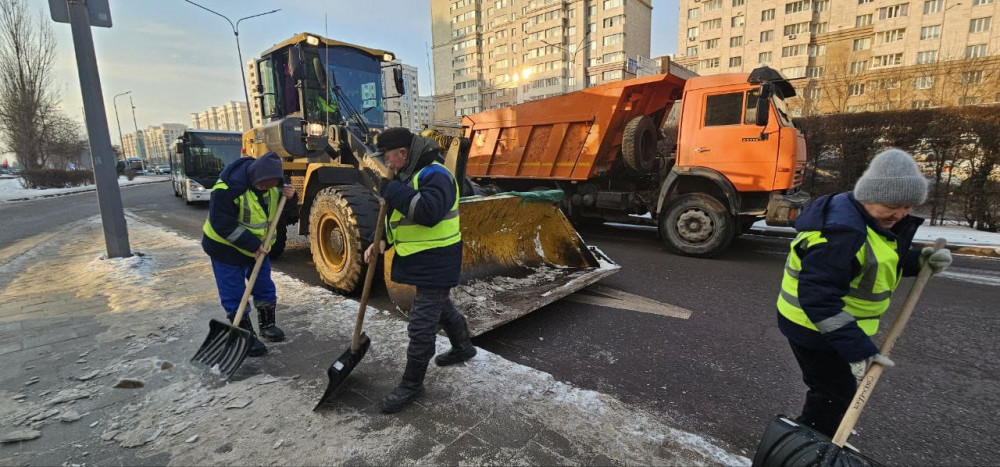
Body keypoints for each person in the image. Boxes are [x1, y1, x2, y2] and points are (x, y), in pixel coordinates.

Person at [776, 148, 953, 437]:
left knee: (835, 391)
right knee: (834, 392)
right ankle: (808, 443)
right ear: (867, 196)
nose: (900, 213)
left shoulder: (871, 220)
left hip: (831, 325)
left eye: (908, 206)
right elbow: (819, 299)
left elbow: (875, 261)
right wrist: (858, 349)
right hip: (812, 328)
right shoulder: (841, 236)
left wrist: (919, 261)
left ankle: (815, 439)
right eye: (892, 205)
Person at [364, 127, 476, 413]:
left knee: (421, 325)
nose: (385, 162)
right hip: (424, 260)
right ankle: (463, 347)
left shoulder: (434, 174)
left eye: (387, 156)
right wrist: (380, 243)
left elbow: (428, 213)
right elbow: (400, 218)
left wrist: (394, 191)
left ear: (403, 153)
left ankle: (412, 384)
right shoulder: (408, 174)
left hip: (437, 260)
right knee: (441, 306)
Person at [202, 152, 296, 357]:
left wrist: (291, 197)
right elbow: (222, 224)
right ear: (254, 178)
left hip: (258, 248)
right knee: (234, 292)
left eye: (271, 186)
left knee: (264, 286)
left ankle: (267, 325)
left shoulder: (277, 183)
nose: (267, 190)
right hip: (225, 247)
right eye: (263, 186)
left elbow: (286, 211)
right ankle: (244, 333)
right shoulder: (227, 189)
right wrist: (252, 244)